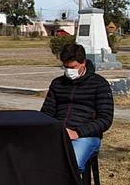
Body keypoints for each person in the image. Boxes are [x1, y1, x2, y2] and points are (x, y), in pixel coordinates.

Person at [40, 43, 114, 172]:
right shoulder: (57, 83)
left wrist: (78, 132)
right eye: (65, 67)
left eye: (73, 67)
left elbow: (105, 119)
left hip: (86, 136)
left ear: (83, 63)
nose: (69, 71)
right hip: (58, 133)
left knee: (71, 163)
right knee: (33, 158)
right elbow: (47, 112)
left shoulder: (99, 84)